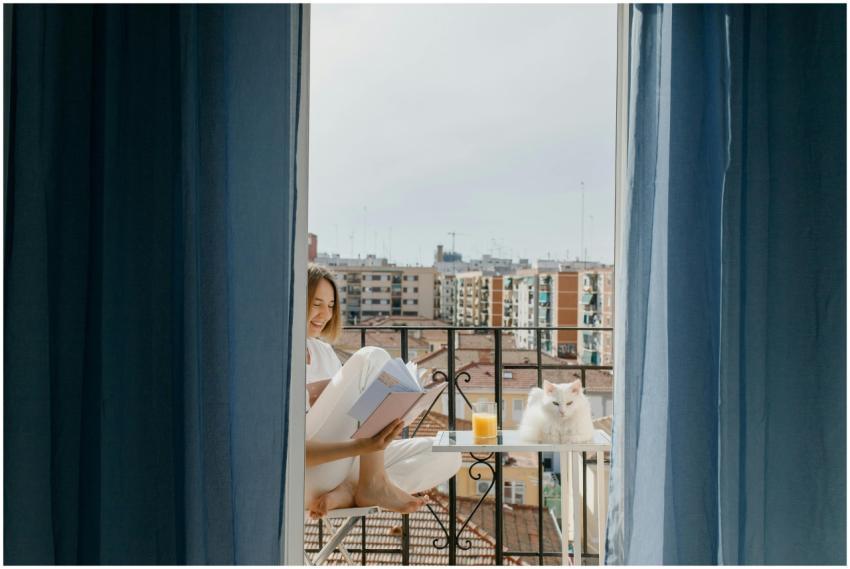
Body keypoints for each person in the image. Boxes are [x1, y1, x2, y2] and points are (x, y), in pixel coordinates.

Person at [304, 265, 461, 519]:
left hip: (346, 467)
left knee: (448, 455)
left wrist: (395, 416)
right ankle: (372, 484)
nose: (325, 314)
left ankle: (352, 489)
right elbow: (292, 455)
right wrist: (363, 446)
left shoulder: (323, 352)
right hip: (309, 474)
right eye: (316, 303)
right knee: (372, 357)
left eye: (331, 305)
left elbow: (349, 421)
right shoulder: (278, 358)